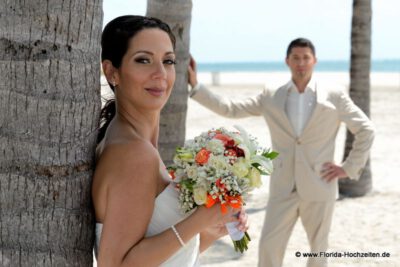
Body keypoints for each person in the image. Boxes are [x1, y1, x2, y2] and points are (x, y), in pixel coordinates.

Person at [188, 38, 375, 267]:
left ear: (314, 61)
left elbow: (365, 129)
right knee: (269, 247)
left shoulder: (334, 95)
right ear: (287, 61)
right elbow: (232, 109)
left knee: (319, 250)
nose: (301, 63)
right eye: (296, 58)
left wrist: (348, 168)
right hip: (282, 186)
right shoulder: (272, 95)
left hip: (319, 183)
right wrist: (196, 86)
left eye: (306, 58)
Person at [92, 15, 248, 267]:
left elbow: (167, 258)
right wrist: (198, 220)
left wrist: (209, 229)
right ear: (112, 72)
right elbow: (115, 264)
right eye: (143, 60)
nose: (160, 73)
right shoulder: (134, 153)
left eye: (168, 61)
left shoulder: (131, 142)